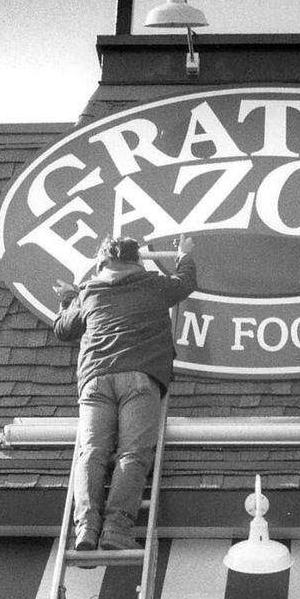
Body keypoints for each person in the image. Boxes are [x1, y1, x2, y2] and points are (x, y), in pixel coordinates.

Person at [53, 234, 196, 551]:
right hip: (139, 377)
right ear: (138, 261)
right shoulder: (154, 285)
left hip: (96, 379)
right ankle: (116, 529)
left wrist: (66, 300)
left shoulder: (89, 292)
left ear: (102, 262)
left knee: (91, 453)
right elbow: (185, 282)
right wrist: (184, 255)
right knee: (132, 455)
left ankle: (86, 528)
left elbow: (63, 329)